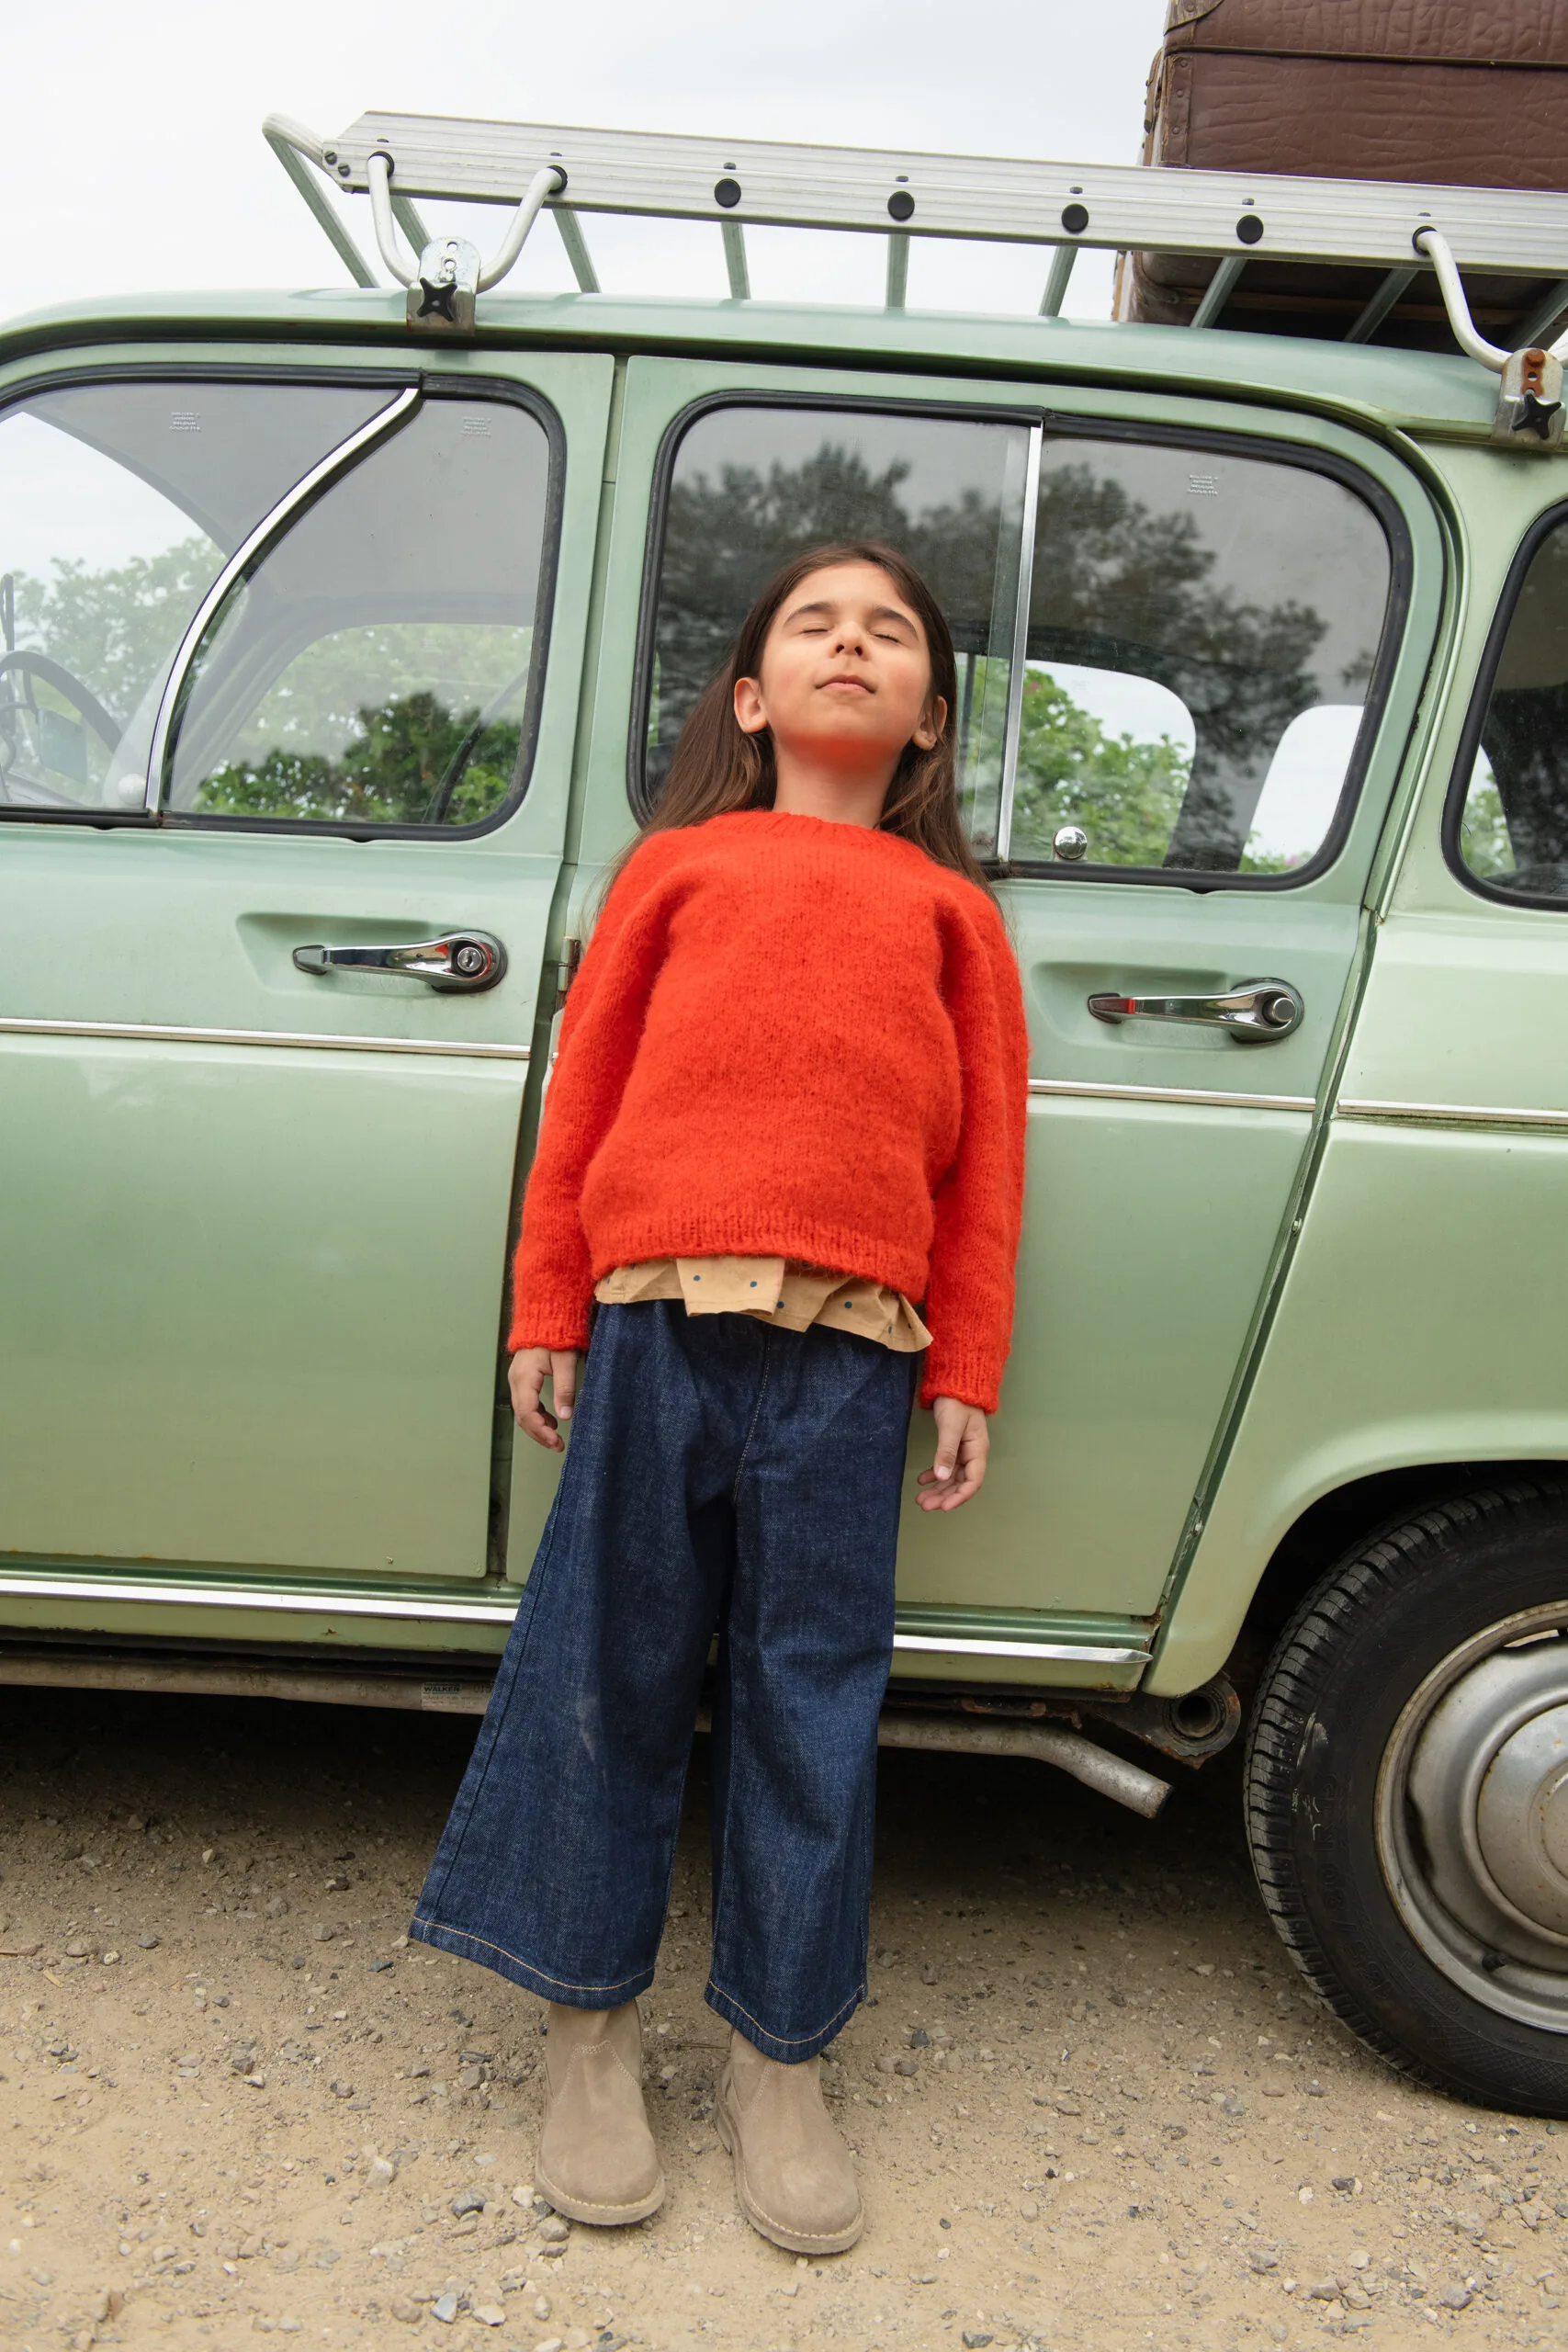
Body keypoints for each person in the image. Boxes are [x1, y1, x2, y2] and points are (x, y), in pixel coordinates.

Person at [411, 540, 1028, 2256]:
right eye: (814, 626)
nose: (852, 646)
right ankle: (586, 2028)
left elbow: (986, 1167)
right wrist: (546, 1305)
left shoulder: (953, 916)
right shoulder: (673, 869)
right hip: (651, 1328)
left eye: (889, 634)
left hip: (851, 1353)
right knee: (604, 1675)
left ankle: (779, 2055)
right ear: (751, 698)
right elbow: (585, 1100)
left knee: (811, 1701)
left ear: (925, 721)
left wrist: (966, 1362)